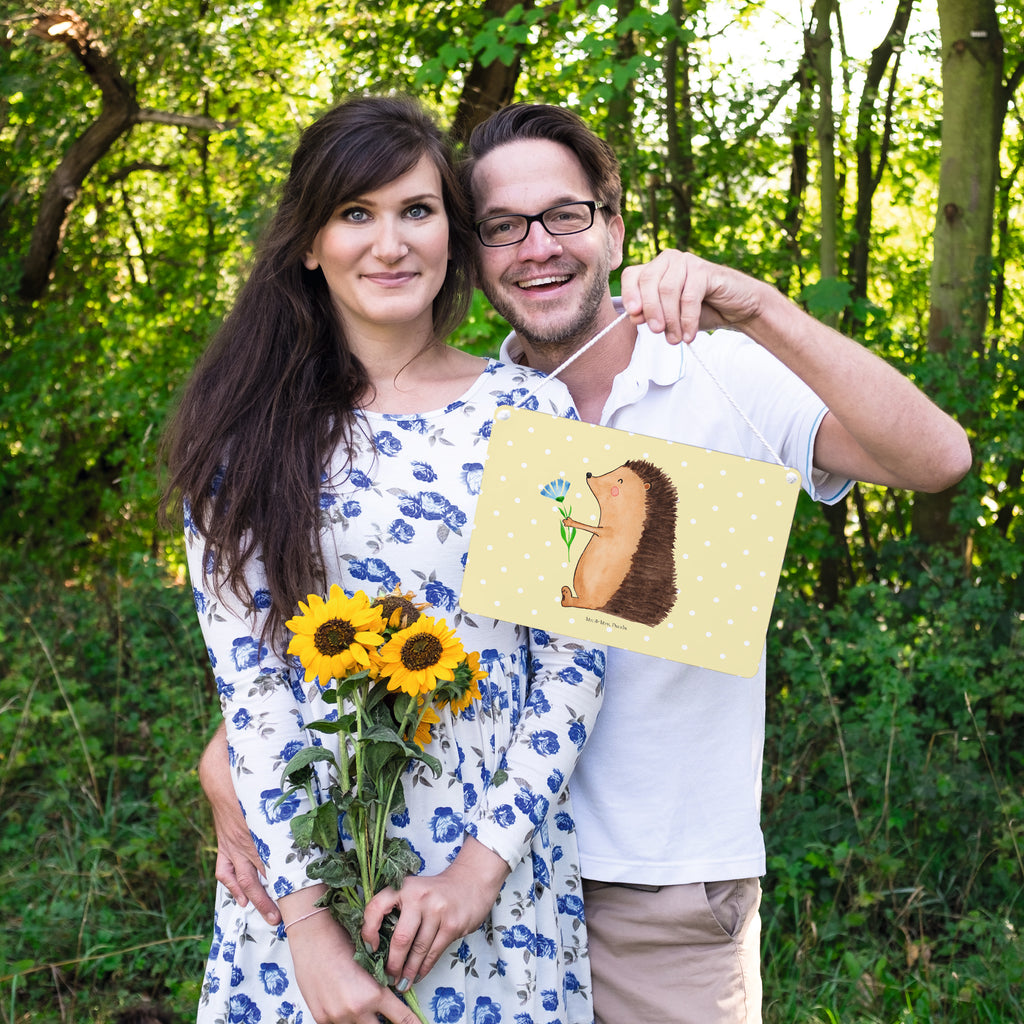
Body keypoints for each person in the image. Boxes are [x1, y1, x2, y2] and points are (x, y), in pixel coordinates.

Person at [202, 102, 972, 1024]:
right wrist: (234, 766)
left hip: (654, 886)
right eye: (502, 227)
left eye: (565, 215)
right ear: (474, 249)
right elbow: (344, 634)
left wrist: (759, 307)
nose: (537, 247)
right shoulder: (464, 415)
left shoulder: (703, 374)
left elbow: (937, 461)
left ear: (612, 225)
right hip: (441, 876)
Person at [163, 96, 608, 1024]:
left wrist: (478, 873)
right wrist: (311, 937)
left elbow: (574, 664)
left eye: (417, 210)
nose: (391, 243)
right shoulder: (243, 437)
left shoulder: (536, 413)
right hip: (302, 885)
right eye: (355, 214)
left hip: (493, 886)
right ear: (309, 243)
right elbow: (253, 691)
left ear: (453, 230)